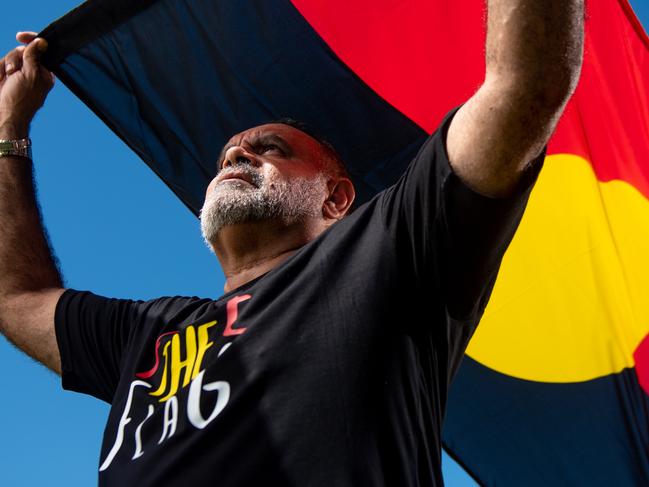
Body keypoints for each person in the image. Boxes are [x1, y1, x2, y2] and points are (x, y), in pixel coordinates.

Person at [0, 1, 584, 485]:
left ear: (335, 199)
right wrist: (9, 129)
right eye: (229, 153)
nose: (236, 155)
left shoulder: (389, 253)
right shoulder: (144, 334)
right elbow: (13, 296)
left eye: (271, 147)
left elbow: (524, 85)